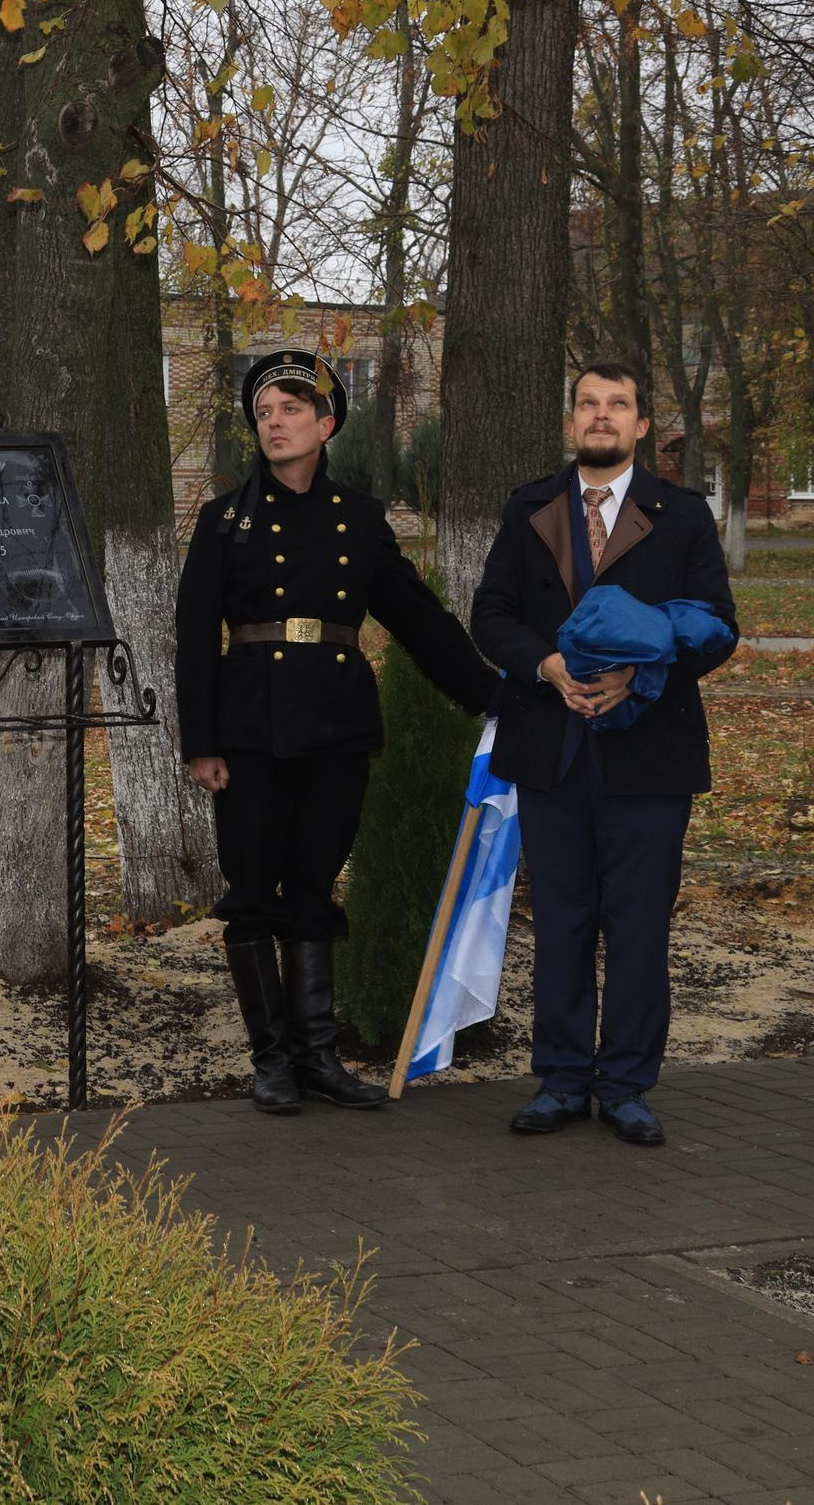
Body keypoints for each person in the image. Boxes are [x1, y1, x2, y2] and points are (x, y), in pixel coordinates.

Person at [174, 350, 499, 1114]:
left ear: (326, 424)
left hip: (336, 727)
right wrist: (201, 743)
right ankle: (272, 1060)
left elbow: (415, 616)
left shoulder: (360, 516)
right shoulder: (225, 519)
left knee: (314, 886)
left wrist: (491, 692)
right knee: (253, 891)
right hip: (249, 728)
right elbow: (193, 637)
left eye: (290, 409)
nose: (275, 423)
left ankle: (318, 1055)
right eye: (264, 413)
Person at [472, 362, 736, 1147]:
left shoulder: (683, 515)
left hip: (649, 754)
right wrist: (547, 666)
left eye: (617, 405)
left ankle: (625, 1085)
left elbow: (717, 622)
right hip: (551, 748)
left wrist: (641, 674)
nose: (601, 416)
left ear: (641, 425)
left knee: (639, 922)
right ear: (571, 420)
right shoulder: (530, 509)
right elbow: (492, 615)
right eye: (588, 403)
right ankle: (558, 1079)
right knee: (559, 920)